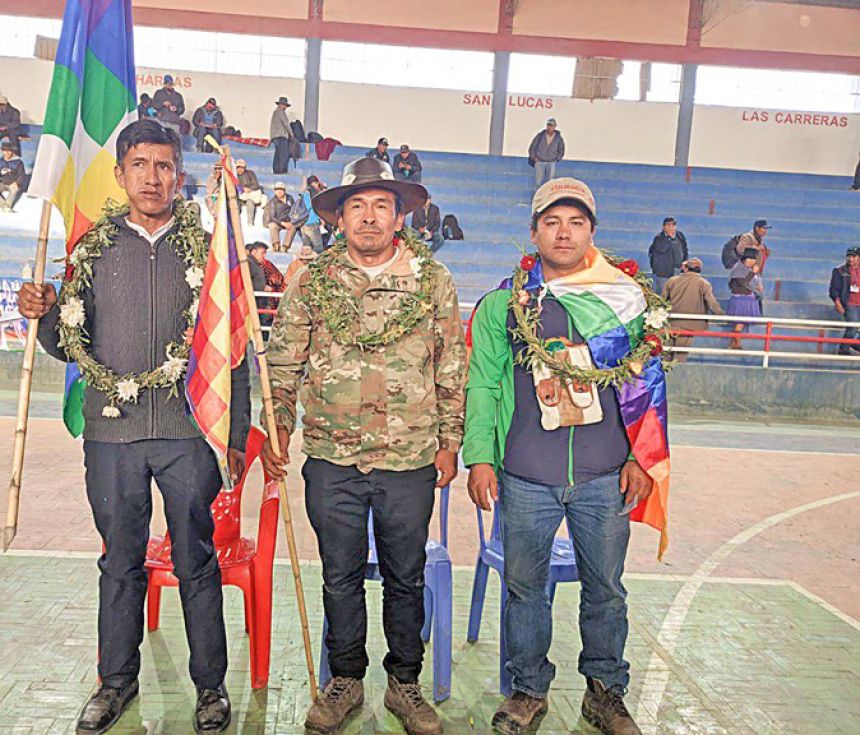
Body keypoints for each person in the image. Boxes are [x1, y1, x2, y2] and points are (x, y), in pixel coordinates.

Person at [16, 119, 247, 735]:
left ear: (179, 174)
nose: (153, 176)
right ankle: (114, 683)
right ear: (120, 174)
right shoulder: (93, 249)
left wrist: (238, 434)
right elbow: (70, 344)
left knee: (197, 561)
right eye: (140, 164)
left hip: (187, 432)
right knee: (120, 561)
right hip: (112, 436)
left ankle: (211, 690)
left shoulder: (207, 249)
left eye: (165, 165)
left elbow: (233, 348)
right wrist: (40, 315)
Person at [261, 156, 466, 735]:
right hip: (332, 456)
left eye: (381, 206)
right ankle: (345, 679)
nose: (369, 218)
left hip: (409, 457)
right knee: (339, 574)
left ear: (399, 215)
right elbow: (283, 362)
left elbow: (451, 364)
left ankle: (405, 682)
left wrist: (449, 441)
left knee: (406, 575)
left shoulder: (432, 281)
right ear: (339, 217)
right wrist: (277, 423)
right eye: (357, 206)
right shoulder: (313, 280)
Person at [465, 177, 663, 735]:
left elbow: (644, 386)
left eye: (576, 223)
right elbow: (482, 385)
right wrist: (481, 456)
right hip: (526, 474)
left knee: (607, 590)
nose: (564, 232)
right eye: (552, 222)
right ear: (533, 232)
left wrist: (639, 458)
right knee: (525, 588)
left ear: (592, 233)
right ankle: (527, 690)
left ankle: (605, 692)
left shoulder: (623, 301)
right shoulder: (504, 305)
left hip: (605, 474)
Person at [661, 257, 724, 362]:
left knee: (665, 354)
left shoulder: (672, 281)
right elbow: (712, 303)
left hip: (670, 323)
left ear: (685, 268)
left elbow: (662, 301)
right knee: (680, 356)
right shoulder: (704, 284)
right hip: (689, 325)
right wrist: (722, 316)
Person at [726, 250, 762, 350]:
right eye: (749, 258)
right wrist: (752, 273)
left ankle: (732, 343)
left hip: (748, 298)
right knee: (740, 323)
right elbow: (743, 283)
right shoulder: (738, 269)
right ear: (744, 258)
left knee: (740, 323)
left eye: (753, 259)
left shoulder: (749, 269)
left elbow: (754, 281)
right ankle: (737, 343)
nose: (752, 261)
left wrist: (758, 285)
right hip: (741, 299)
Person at [828, 246, 860, 355]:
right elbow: (834, 289)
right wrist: (838, 303)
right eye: (849, 256)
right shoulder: (840, 271)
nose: (851, 259)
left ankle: (855, 344)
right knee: (853, 327)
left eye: (854, 256)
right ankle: (843, 348)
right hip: (849, 303)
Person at [737, 219, 771, 313]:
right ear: (757, 228)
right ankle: (756, 315)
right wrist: (756, 248)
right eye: (764, 228)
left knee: (757, 294)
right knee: (755, 294)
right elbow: (740, 249)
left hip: (756, 272)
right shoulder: (747, 237)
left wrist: (765, 254)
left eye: (766, 229)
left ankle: (756, 315)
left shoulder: (759, 239)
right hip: (747, 272)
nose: (765, 231)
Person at [648, 216, 689, 293]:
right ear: (664, 227)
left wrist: (685, 262)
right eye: (668, 225)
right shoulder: (659, 238)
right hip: (664, 271)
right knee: (663, 292)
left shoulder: (680, 236)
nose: (671, 227)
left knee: (676, 292)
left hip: (678, 269)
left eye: (673, 225)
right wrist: (668, 238)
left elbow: (684, 249)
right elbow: (661, 249)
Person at [527, 118, 565, 190]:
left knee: (550, 183)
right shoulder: (540, 136)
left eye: (551, 126)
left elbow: (561, 150)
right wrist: (534, 158)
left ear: (554, 127)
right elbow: (532, 147)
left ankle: (547, 200)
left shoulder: (558, 138)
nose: (549, 127)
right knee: (537, 182)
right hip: (539, 162)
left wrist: (556, 159)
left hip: (551, 162)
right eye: (548, 125)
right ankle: (536, 199)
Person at [0, 143, 26, 212]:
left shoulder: (19, 162)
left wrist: (16, 183)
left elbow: (21, 176)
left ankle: (6, 207)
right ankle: (5, 206)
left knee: (14, 189)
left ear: (12, 151)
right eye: (5, 151)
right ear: (2, 151)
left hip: (13, 184)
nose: (7, 153)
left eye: (9, 151)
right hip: (2, 183)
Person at [264, 182, 295, 252]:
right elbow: (272, 217)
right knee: (272, 225)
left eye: (281, 190)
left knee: (294, 226)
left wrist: (291, 221)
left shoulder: (290, 198)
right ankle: (276, 244)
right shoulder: (272, 201)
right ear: (275, 191)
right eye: (277, 190)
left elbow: (294, 210)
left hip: (288, 220)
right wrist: (282, 223)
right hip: (278, 221)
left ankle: (285, 246)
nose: (279, 192)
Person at [234, 160, 265, 227]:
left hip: (250, 195)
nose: (240, 169)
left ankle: (250, 222)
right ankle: (236, 222)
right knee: (236, 203)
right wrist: (242, 189)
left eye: (241, 168)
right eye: (238, 168)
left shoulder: (250, 173)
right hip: (239, 196)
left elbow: (256, 185)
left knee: (250, 202)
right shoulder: (234, 176)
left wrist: (249, 189)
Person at [298, 175, 326, 252]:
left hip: (303, 222)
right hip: (312, 222)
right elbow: (315, 206)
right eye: (317, 184)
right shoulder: (313, 191)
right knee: (318, 247)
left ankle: (305, 262)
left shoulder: (304, 192)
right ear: (315, 183)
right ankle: (315, 263)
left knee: (306, 247)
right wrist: (321, 219)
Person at [269, 97, 293, 175]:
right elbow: (286, 123)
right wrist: (291, 134)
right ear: (281, 105)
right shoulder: (280, 112)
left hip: (275, 137)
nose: (285, 107)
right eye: (284, 105)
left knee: (278, 154)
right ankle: (282, 170)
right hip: (281, 136)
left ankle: (276, 170)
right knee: (283, 154)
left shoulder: (275, 112)